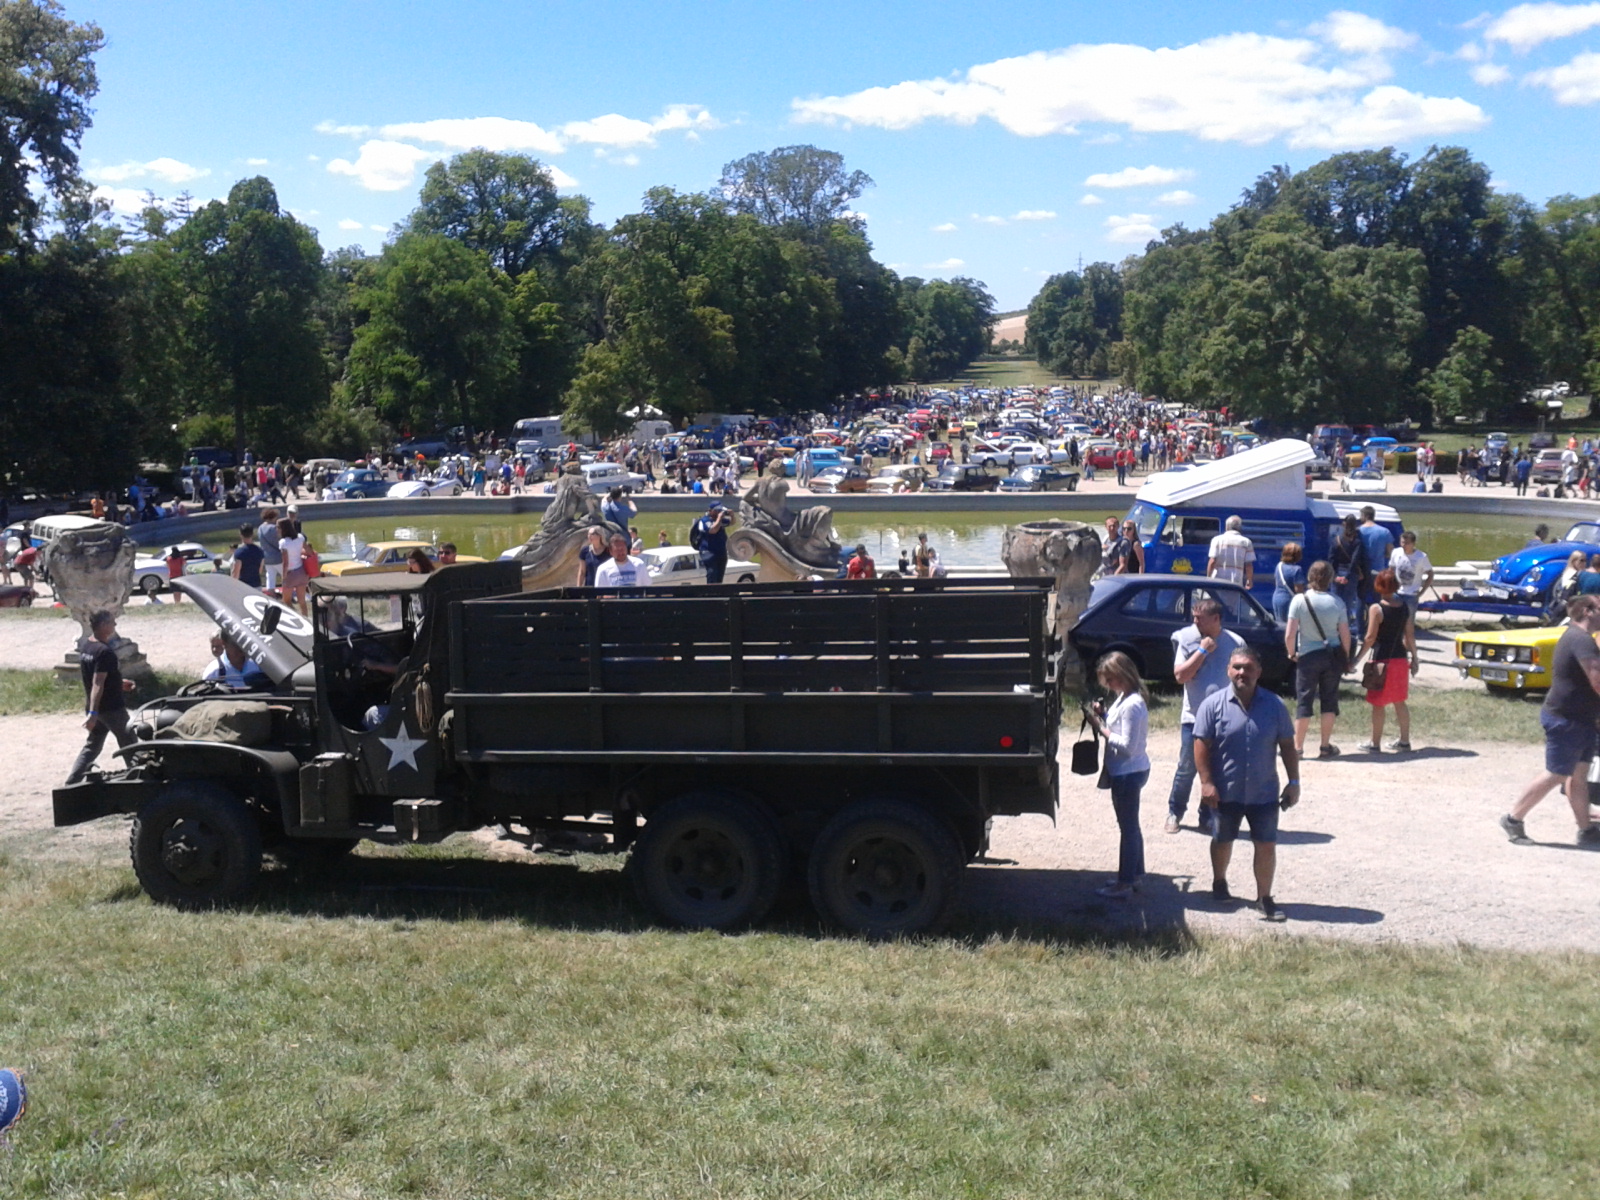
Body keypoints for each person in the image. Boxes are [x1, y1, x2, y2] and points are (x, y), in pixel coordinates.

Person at [1193, 645, 1300, 920]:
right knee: (1222, 839)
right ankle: (1219, 881)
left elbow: (1288, 745)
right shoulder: (1212, 705)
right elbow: (1201, 744)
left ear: (1259, 672)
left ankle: (1264, 898)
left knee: (1266, 844)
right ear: (1229, 670)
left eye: (1248, 667)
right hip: (1224, 791)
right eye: (1237, 667)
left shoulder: (1275, 705)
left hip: (1263, 792)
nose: (1242, 672)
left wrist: (1294, 781)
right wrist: (1206, 782)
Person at [1500, 593, 1600, 848]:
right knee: (1556, 773)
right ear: (1588, 611)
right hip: (1566, 718)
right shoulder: (1581, 640)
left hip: (1580, 718)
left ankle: (1586, 830)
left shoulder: (1577, 637)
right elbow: (1597, 679)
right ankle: (1514, 818)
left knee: (1577, 775)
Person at [1164, 597, 1244, 835]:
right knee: (1187, 767)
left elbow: (1242, 678)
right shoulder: (1185, 638)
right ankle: (1174, 813)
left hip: (1225, 718)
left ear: (1216, 619)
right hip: (1194, 717)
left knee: (1216, 770)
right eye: (1194, 616)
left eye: (1200, 618)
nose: (1194, 621)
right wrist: (1201, 651)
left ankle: (1207, 816)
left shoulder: (1236, 642)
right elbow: (1180, 676)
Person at [1084, 651, 1149, 899]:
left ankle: (1125, 882)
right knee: (1131, 826)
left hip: (1127, 773)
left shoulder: (1132, 704)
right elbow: (1118, 726)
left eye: (1110, 680)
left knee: (1128, 829)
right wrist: (1102, 715)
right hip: (1128, 771)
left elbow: (1127, 745)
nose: (1108, 686)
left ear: (1121, 676)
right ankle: (1136, 874)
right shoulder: (1126, 697)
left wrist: (1100, 728)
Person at [1284, 560, 1352, 759]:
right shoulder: (1337, 602)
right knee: (1329, 701)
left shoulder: (1299, 600)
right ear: (1330, 578)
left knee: (1304, 701)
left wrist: (1291, 653)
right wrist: (1345, 657)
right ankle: (1324, 746)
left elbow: (1290, 633)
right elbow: (1345, 634)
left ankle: (1297, 748)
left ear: (1310, 577)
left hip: (1307, 655)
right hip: (1331, 656)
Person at [64, 610, 137, 785]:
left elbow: (96, 677)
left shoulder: (88, 647)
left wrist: (119, 682)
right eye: (112, 622)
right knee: (130, 744)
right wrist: (93, 714)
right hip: (111, 709)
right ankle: (139, 779)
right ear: (103, 626)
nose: (115, 626)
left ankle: (72, 782)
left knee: (92, 746)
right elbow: (98, 683)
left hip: (97, 708)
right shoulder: (105, 652)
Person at [1349, 568, 1418, 752]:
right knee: (1399, 702)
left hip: (1382, 661)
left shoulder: (1376, 609)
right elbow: (1409, 635)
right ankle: (1404, 741)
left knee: (1378, 704)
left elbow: (1370, 638)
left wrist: (1356, 659)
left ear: (1378, 586)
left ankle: (1375, 743)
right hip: (1400, 660)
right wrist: (1415, 659)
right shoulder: (1404, 607)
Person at [1329, 515, 1368, 626]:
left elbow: (1331, 559)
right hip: (1351, 574)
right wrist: (1347, 576)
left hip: (1337, 573)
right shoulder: (1357, 542)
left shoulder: (1336, 540)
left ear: (1343, 524)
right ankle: (1345, 630)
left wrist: (1335, 576)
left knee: (1334, 603)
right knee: (1347, 604)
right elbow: (1355, 560)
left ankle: (1333, 627)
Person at [1388, 531, 1433, 619]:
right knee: (1394, 620)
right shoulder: (1395, 552)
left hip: (1411, 594)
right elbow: (1391, 570)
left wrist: (1422, 591)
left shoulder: (1421, 557)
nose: (1404, 545)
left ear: (1413, 544)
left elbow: (1430, 574)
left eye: (1407, 543)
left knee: (1409, 621)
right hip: (1396, 593)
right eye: (1402, 542)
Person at [204, 633, 271, 691]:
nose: (241, 647)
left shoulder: (259, 666)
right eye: (236, 644)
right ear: (224, 643)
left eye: (244, 643)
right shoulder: (213, 672)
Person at [1357, 507, 1395, 608]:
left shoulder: (1358, 531)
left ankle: (1360, 623)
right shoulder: (1385, 532)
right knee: (1378, 599)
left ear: (1364, 516)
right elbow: (1390, 552)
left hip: (1362, 571)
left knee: (1360, 600)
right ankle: (1377, 621)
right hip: (1379, 571)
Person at [1207, 515, 1254, 588]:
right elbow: (1248, 565)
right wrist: (1249, 580)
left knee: (1217, 599)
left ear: (1227, 527)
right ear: (1239, 528)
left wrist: (1208, 577)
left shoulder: (1216, 540)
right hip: (1236, 583)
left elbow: (1212, 561)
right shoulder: (1246, 542)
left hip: (1218, 581)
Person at [693, 502, 732, 584]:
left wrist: (732, 515)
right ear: (710, 511)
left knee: (720, 575)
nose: (719, 512)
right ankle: (710, 593)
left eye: (720, 510)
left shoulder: (720, 520)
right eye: (717, 510)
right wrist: (719, 518)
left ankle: (718, 593)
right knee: (712, 572)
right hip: (708, 552)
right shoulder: (705, 520)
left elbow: (732, 522)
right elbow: (712, 530)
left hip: (721, 551)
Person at [278, 519, 309, 615]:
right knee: (302, 601)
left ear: (282, 529)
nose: (276, 529)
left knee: (286, 600)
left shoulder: (283, 542)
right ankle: (306, 619)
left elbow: (285, 563)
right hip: (301, 572)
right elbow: (308, 551)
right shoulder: (300, 537)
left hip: (290, 574)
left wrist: (283, 578)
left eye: (278, 527)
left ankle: (296, 616)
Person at [1271, 542, 1307, 625]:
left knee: (1280, 625)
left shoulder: (1279, 565)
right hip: (1289, 601)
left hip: (1277, 598)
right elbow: (1299, 591)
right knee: (1289, 626)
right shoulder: (1297, 570)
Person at [230, 523, 264, 590]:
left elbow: (235, 573)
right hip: (257, 585)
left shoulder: (239, 552)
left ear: (240, 534)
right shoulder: (260, 551)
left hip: (243, 587)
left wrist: (232, 587)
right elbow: (260, 570)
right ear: (252, 534)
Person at [258, 507, 282, 594]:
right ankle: (288, 596)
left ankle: (271, 595)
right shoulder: (273, 528)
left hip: (267, 558)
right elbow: (278, 543)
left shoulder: (260, 528)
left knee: (270, 577)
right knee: (286, 576)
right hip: (278, 557)